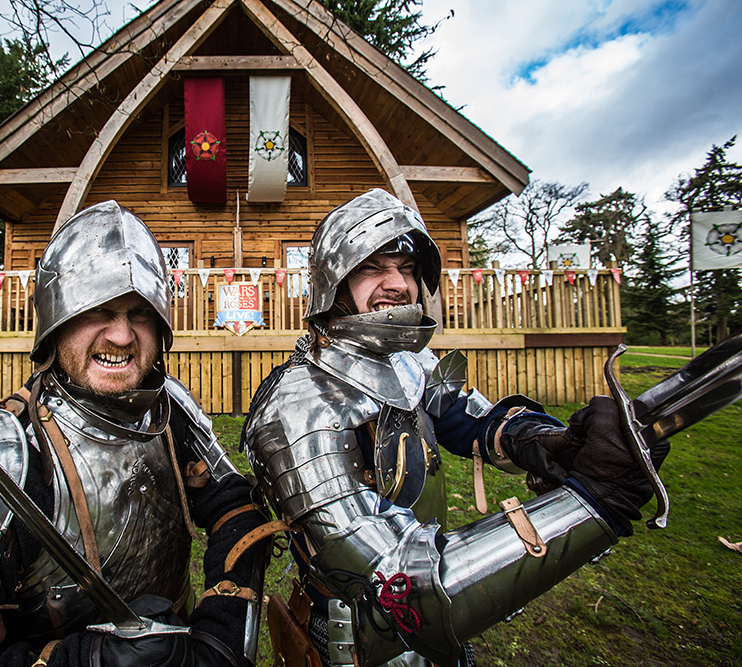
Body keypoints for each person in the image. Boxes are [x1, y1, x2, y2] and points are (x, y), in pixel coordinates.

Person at [242, 189, 667, 667]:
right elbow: (397, 584)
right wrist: (591, 503)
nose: (397, 284)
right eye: (373, 268)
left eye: (406, 269)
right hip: (360, 638)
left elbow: (472, 421)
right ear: (332, 283)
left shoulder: (409, 362)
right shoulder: (298, 406)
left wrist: (553, 445)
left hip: (438, 629)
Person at [0, 201, 268, 667]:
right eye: (96, 310)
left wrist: (220, 633)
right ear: (57, 322)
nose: (122, 336)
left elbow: (234, 506)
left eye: (139, 313)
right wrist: (80, 660)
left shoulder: (170, 411)